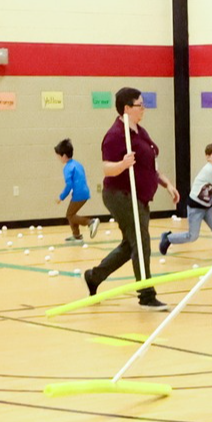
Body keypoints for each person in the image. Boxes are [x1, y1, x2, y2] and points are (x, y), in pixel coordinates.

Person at [85, 87, 180, 311]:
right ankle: (146, 295)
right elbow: (107, 169)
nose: (143, 108)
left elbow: (150, 166)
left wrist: (167, 184)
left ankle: (94, 276)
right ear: (127, 108)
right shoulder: (116, 135)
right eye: (140, 105)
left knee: (130, 245)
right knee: (141, 241)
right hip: (121, 196)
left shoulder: (140, 132)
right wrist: (122, 164)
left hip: (139, 196)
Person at [162, 142, 212, 254]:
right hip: (196, 206)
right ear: (208, 157)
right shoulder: (211, 170)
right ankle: (168, 238)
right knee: (192, 236)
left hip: (209, 204)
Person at [56, 139, 93, 242]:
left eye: (58, 156)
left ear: (63, 156)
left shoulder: (67, 167)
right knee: (71, 213)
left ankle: (90, 222)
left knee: (70, 215)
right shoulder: (78, 164)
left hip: (79, 194)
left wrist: (61, 197)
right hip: (84, 192)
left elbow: (69, 185)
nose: (58, 158)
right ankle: (76, 236)